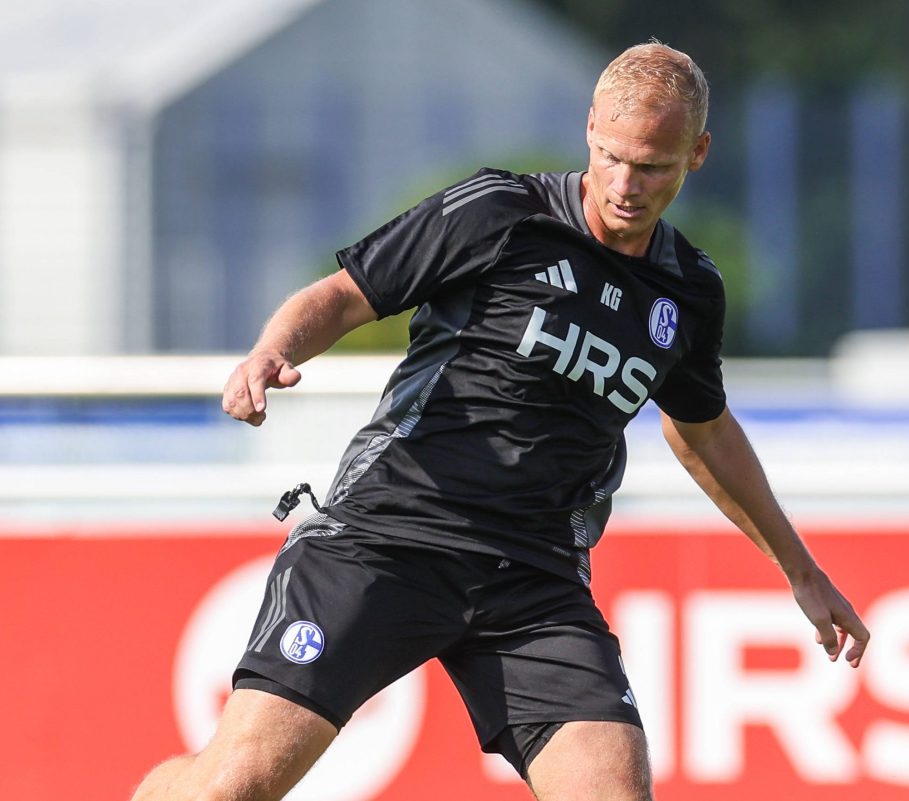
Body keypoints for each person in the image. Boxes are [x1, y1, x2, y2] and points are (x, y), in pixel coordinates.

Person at [131, 41, 868, 801]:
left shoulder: (688, 292)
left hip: (536, 580)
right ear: (590, 127)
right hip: (388, 538)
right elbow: (347, 294)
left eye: (652, 167)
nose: (624, 185)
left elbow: (703, 429)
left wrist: (801, 570)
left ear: (698, 154)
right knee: (234, 787)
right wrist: (272, 351)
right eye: (612, 157)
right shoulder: (499, 212)